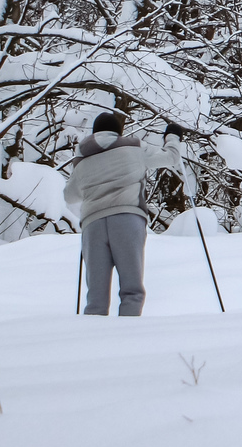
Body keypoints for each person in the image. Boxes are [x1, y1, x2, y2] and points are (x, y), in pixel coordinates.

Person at [63, 112, 183, 316]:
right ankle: (128, 339)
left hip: (93, 225)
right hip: (127, 219)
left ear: (94, 133)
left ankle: (93, 341)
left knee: (96, 298)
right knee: (132, 290)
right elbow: (171, 157)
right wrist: (172, 136)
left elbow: (69, 196)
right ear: (118, 132)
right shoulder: (133, 148)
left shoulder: (82, 159)